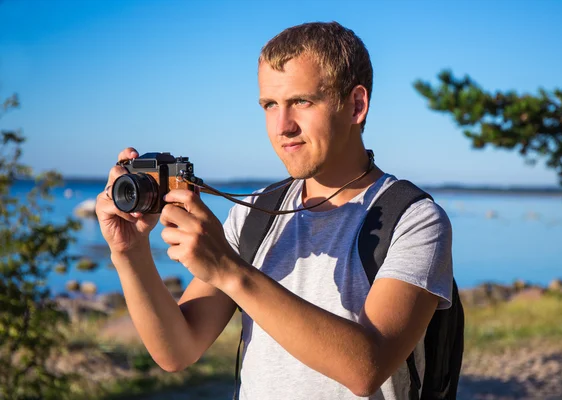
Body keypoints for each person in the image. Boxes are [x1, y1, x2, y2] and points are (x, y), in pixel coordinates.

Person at [96, 21, 453, 400]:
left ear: (356, 105)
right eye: (270, 105)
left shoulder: (414, 219)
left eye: (302, 101)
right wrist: (130, 252)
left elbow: (366, 368)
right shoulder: (254, 214)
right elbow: (177, 350)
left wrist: (230, 270)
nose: (283, 126)